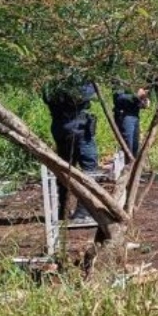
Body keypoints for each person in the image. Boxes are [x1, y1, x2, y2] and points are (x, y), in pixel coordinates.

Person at [42, 77, 99, 226]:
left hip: (63, 127)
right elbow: (87, 94)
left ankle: (63, 209)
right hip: (76, 127)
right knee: (89, 167)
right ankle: (82, 211)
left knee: (65, 168)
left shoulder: (50, 78)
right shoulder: (70, 77)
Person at [112, 86, 150, 157]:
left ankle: (132, 164)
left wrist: (143, 101)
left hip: (135, 115)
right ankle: (127, 164)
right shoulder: (121, 79)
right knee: (127, 144)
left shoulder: (137, 79)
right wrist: (136, 96)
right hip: (125, 115)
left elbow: (137, 98)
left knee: (135, 145)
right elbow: (118, 98)